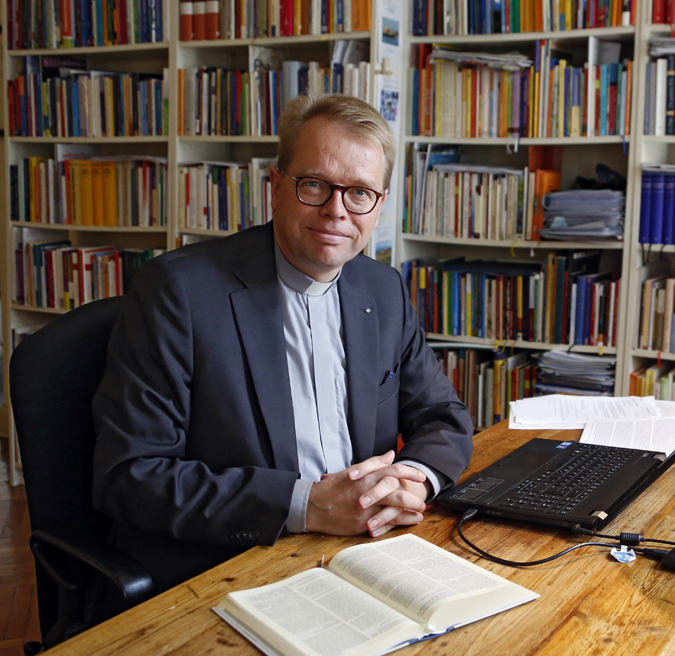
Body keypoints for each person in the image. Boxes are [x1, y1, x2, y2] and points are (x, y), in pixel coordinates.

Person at [92, 94, 474, 593]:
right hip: (232, 563)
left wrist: (412, 479)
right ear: (275, 185)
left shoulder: (381, 289)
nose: (337, 211)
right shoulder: (178, 292)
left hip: (365, 551)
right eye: (314, 184)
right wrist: (304, 504)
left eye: (359, 193)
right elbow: (130, 476)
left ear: (379, 205)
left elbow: (443, 415)